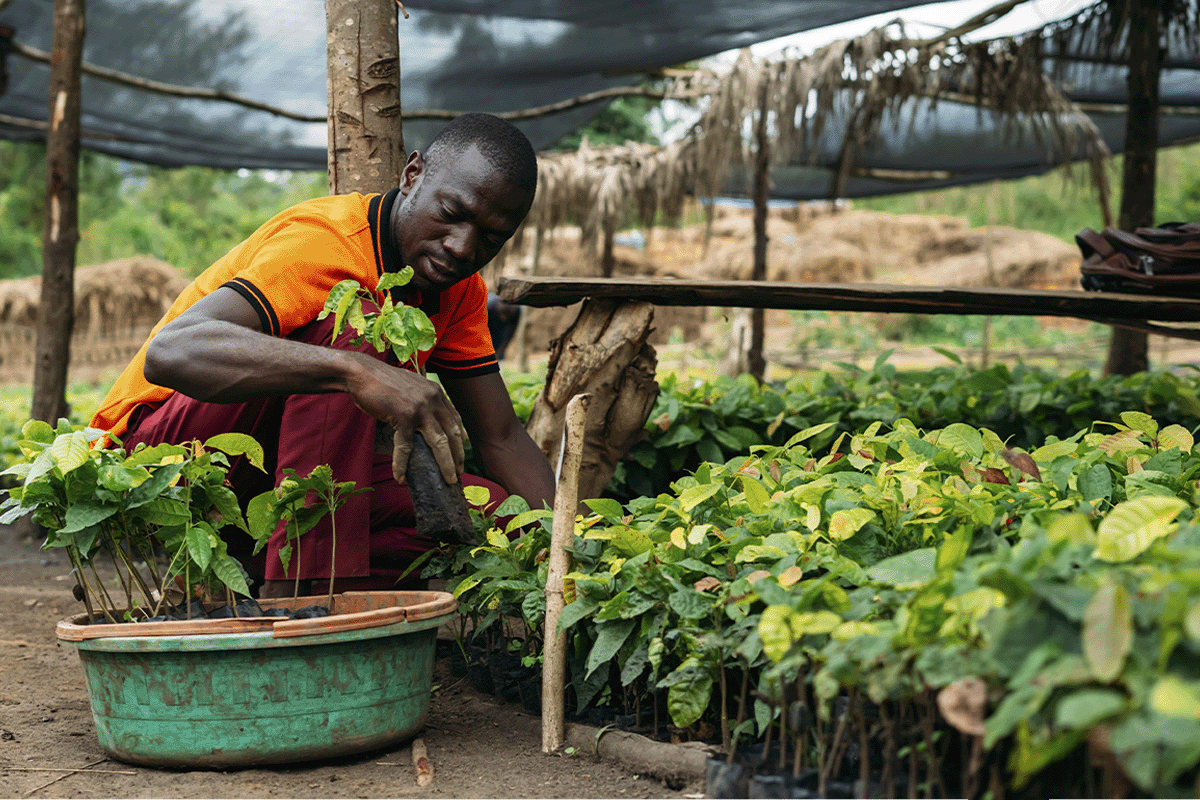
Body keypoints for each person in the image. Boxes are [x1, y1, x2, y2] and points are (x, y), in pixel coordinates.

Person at [91, 113, 556, 598]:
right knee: (357, 324)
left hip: (269, 486)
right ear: (412, 175)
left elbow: (499, 436)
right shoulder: (326, 241)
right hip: (159, 464)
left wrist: (574, 544)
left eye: (491, 238)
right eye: (453, 213)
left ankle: (281, 574)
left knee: (497, 514)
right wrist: (355, 370)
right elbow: (170, 352)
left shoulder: (459, 291)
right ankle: (299, 600)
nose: (462, 247)